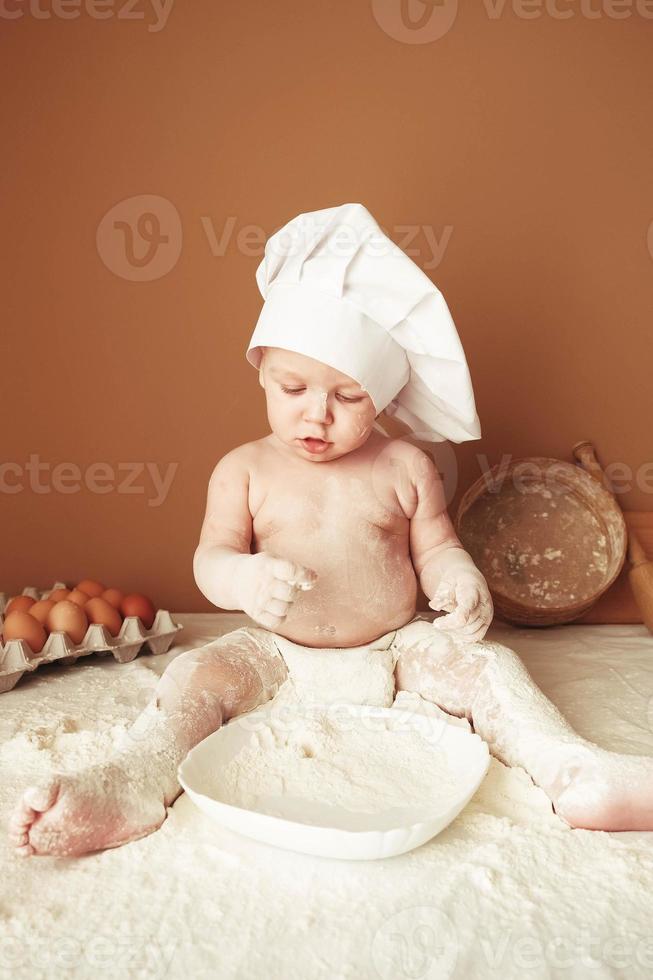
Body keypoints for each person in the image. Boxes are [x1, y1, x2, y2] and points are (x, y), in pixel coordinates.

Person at [10, 204, 653, 857]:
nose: (316, 415)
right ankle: (129, 783)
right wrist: (243, 578)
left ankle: (572, 771)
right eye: (292, 388)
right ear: (261, 370)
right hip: (278, 651)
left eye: (347, 398)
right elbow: (212, 557)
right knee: (194, 675)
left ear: (382, 397)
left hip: (394, 651)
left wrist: (457, 579)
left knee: (491, 669)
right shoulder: (244, 469)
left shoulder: (404, 465)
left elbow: (433, 545)